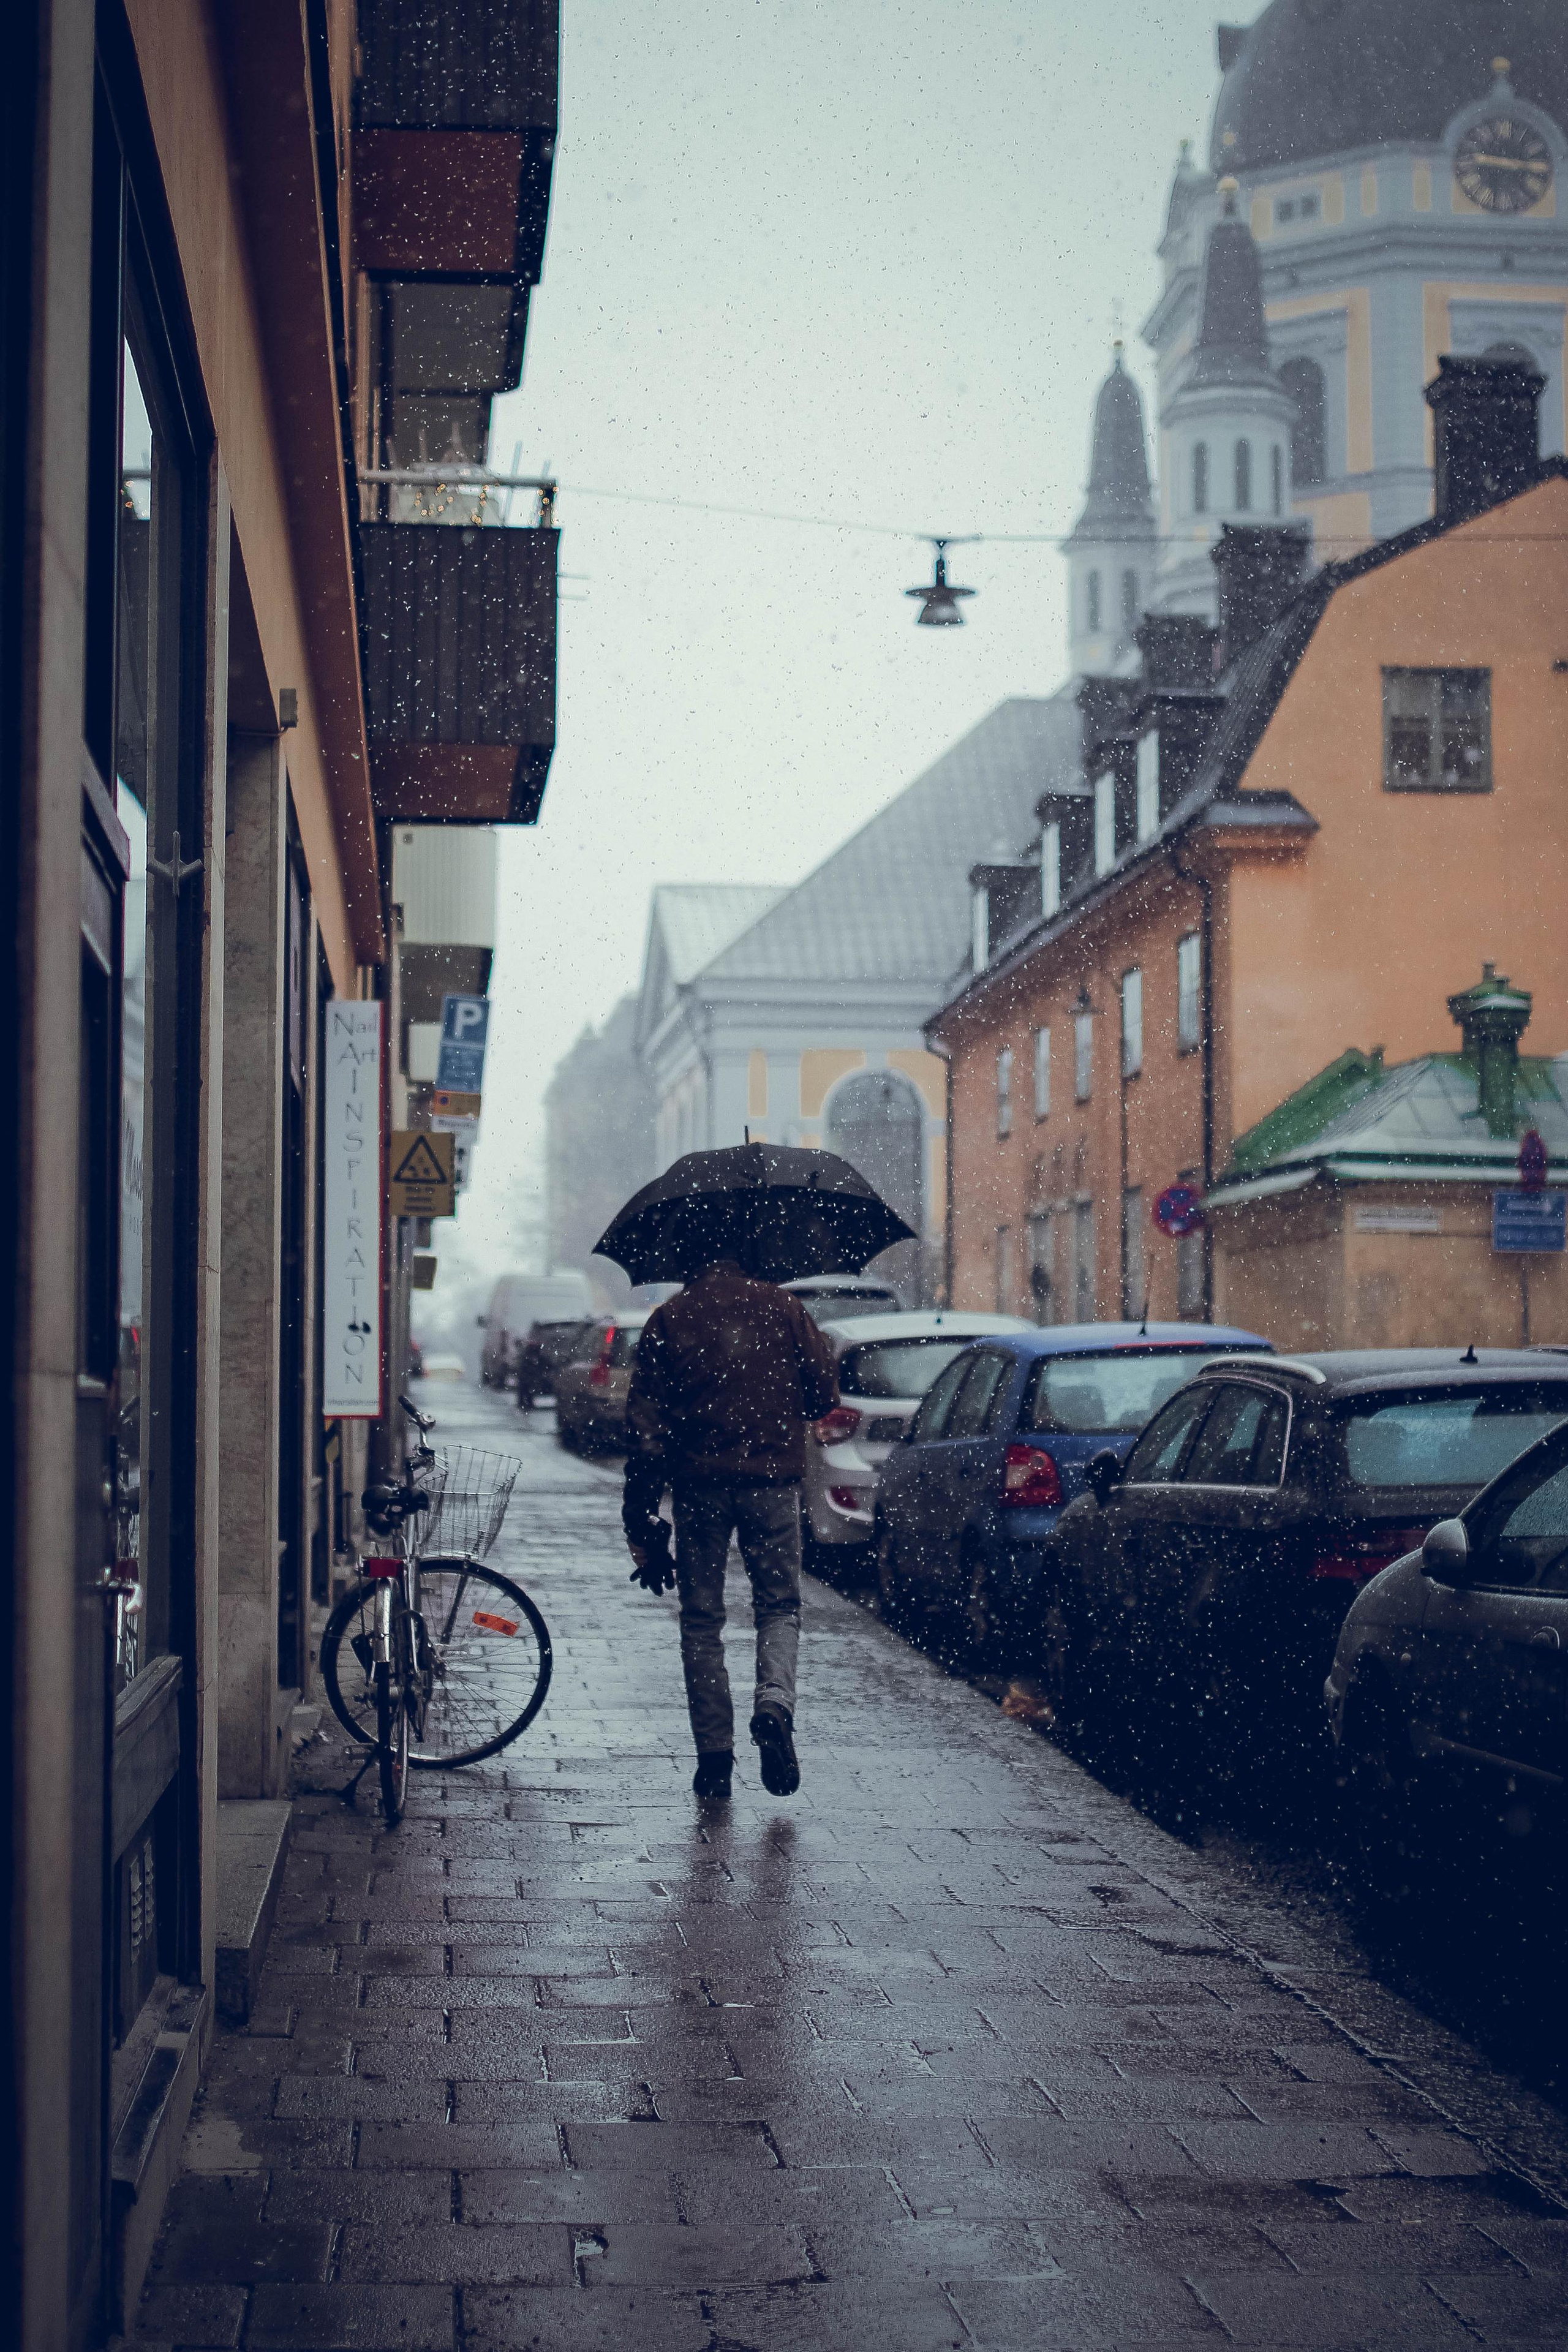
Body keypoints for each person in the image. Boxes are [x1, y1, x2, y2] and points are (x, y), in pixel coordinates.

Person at [622, 1252, 837, 1801]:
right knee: (779, 1606)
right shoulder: (785, 1308)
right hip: (773, 1481)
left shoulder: (671, 1317)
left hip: (699, 1486)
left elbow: (645, 1429)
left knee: (701, 1620)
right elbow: (821, 1397)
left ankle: (714, 1761)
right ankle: (774, 1704)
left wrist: (643, 1518)